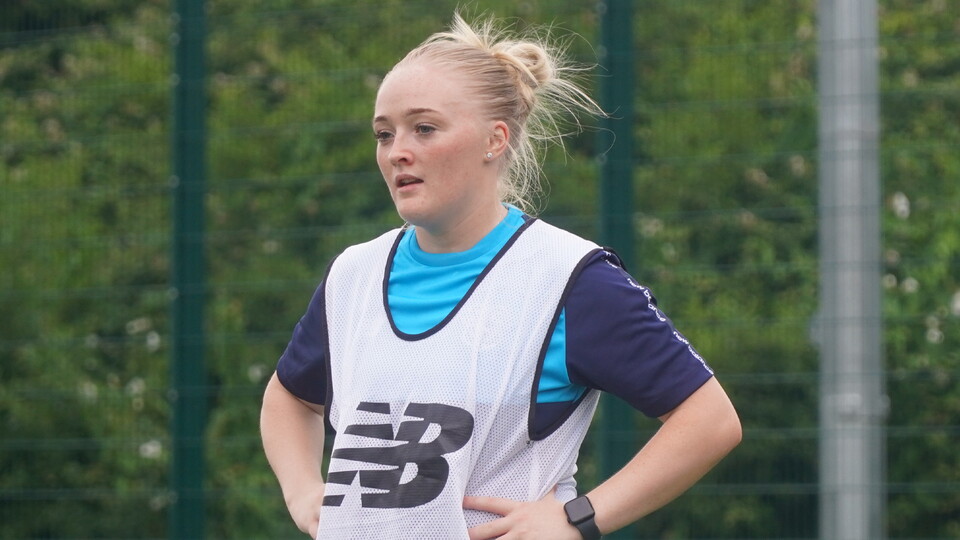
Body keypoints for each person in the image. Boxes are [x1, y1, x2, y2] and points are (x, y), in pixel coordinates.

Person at [260, 12, 741, 540]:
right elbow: (290, 397)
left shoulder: (568, 279)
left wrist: (578, 518)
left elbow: (709, 421)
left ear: (495, 140)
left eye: (424, 128)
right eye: (383, 132)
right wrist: (304, 491)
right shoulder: (354, 274)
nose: (396, 150)